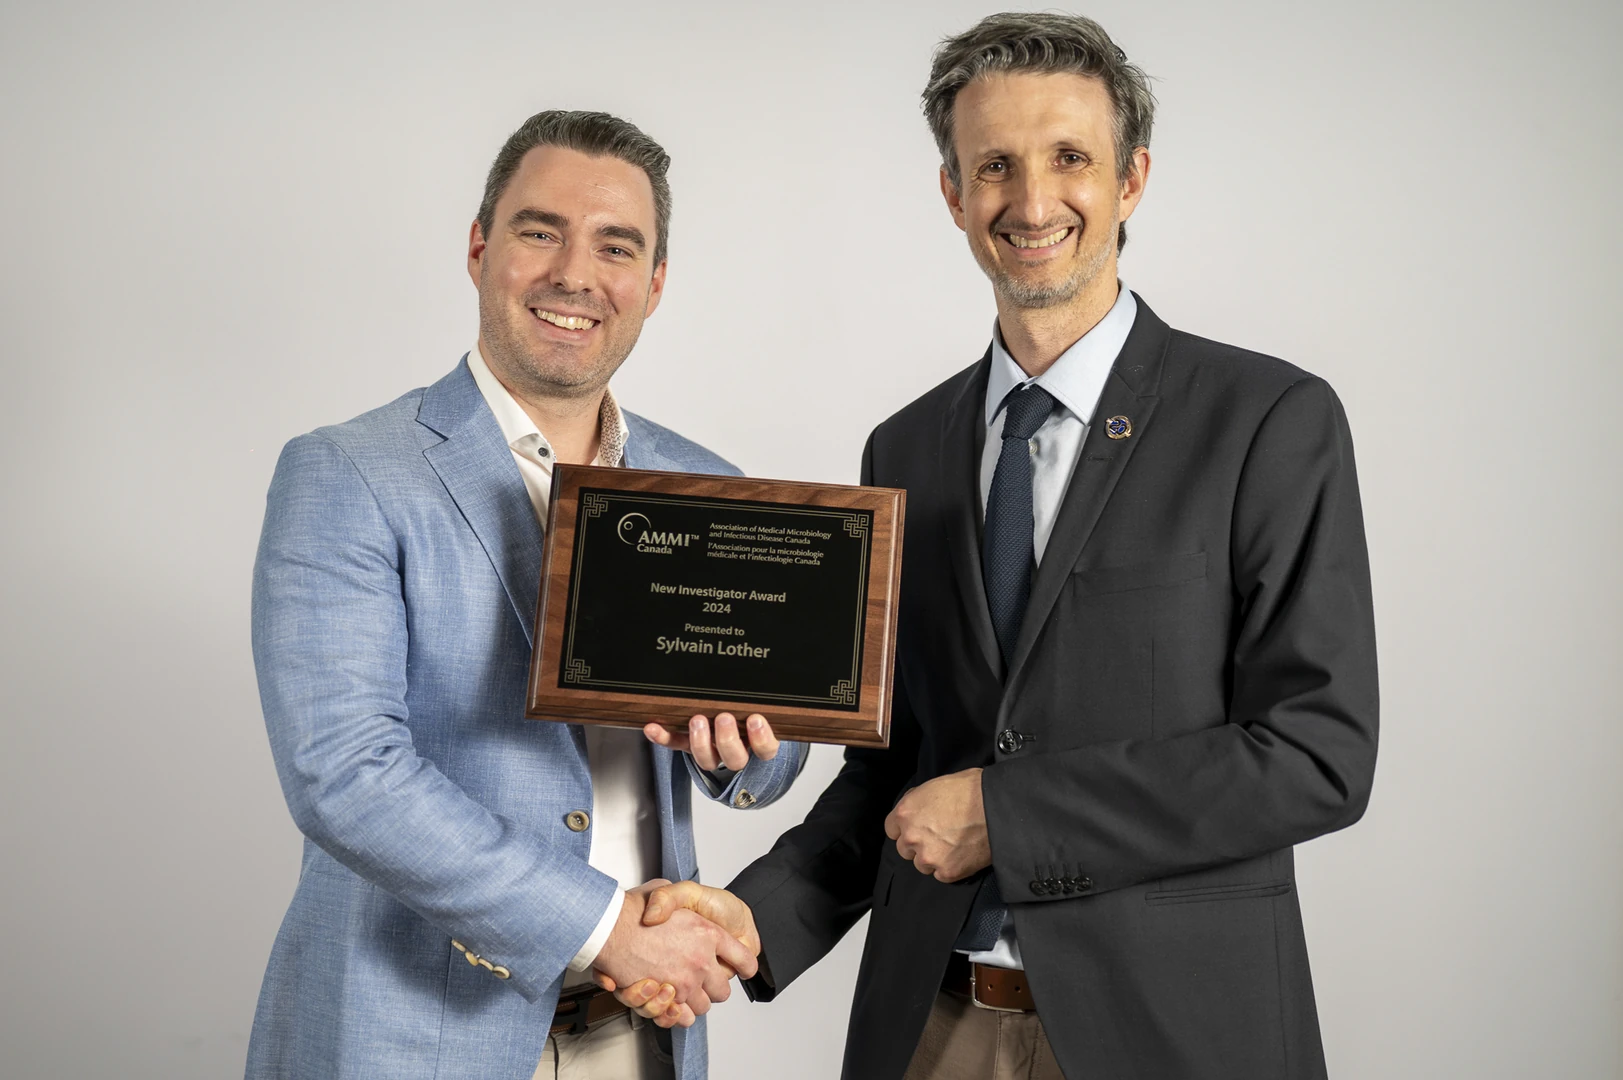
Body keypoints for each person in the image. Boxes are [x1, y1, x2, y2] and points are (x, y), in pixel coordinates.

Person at [628, 12, 1378, 1079]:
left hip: (1174, 1035)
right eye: (995, 166)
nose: (1032, 202)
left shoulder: (1265, 421)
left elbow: (1315, 756)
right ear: (953, 194)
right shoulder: (906, 448)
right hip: (935, 1027)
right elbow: (895, 768)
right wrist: (756, 918)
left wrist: (1007, 817)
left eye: (1070, 157)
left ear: (1131, 179)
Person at [246, 109, 805, 1080]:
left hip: (641, 1033)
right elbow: (344, 772)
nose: (574, 274)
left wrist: (746, 747)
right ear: (480, 249)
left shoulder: (707, 488)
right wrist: (602, 928)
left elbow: (777, 747)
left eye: (616, 247)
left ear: (654, 285)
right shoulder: (346, 473)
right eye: (541, 231)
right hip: (413, 1037)